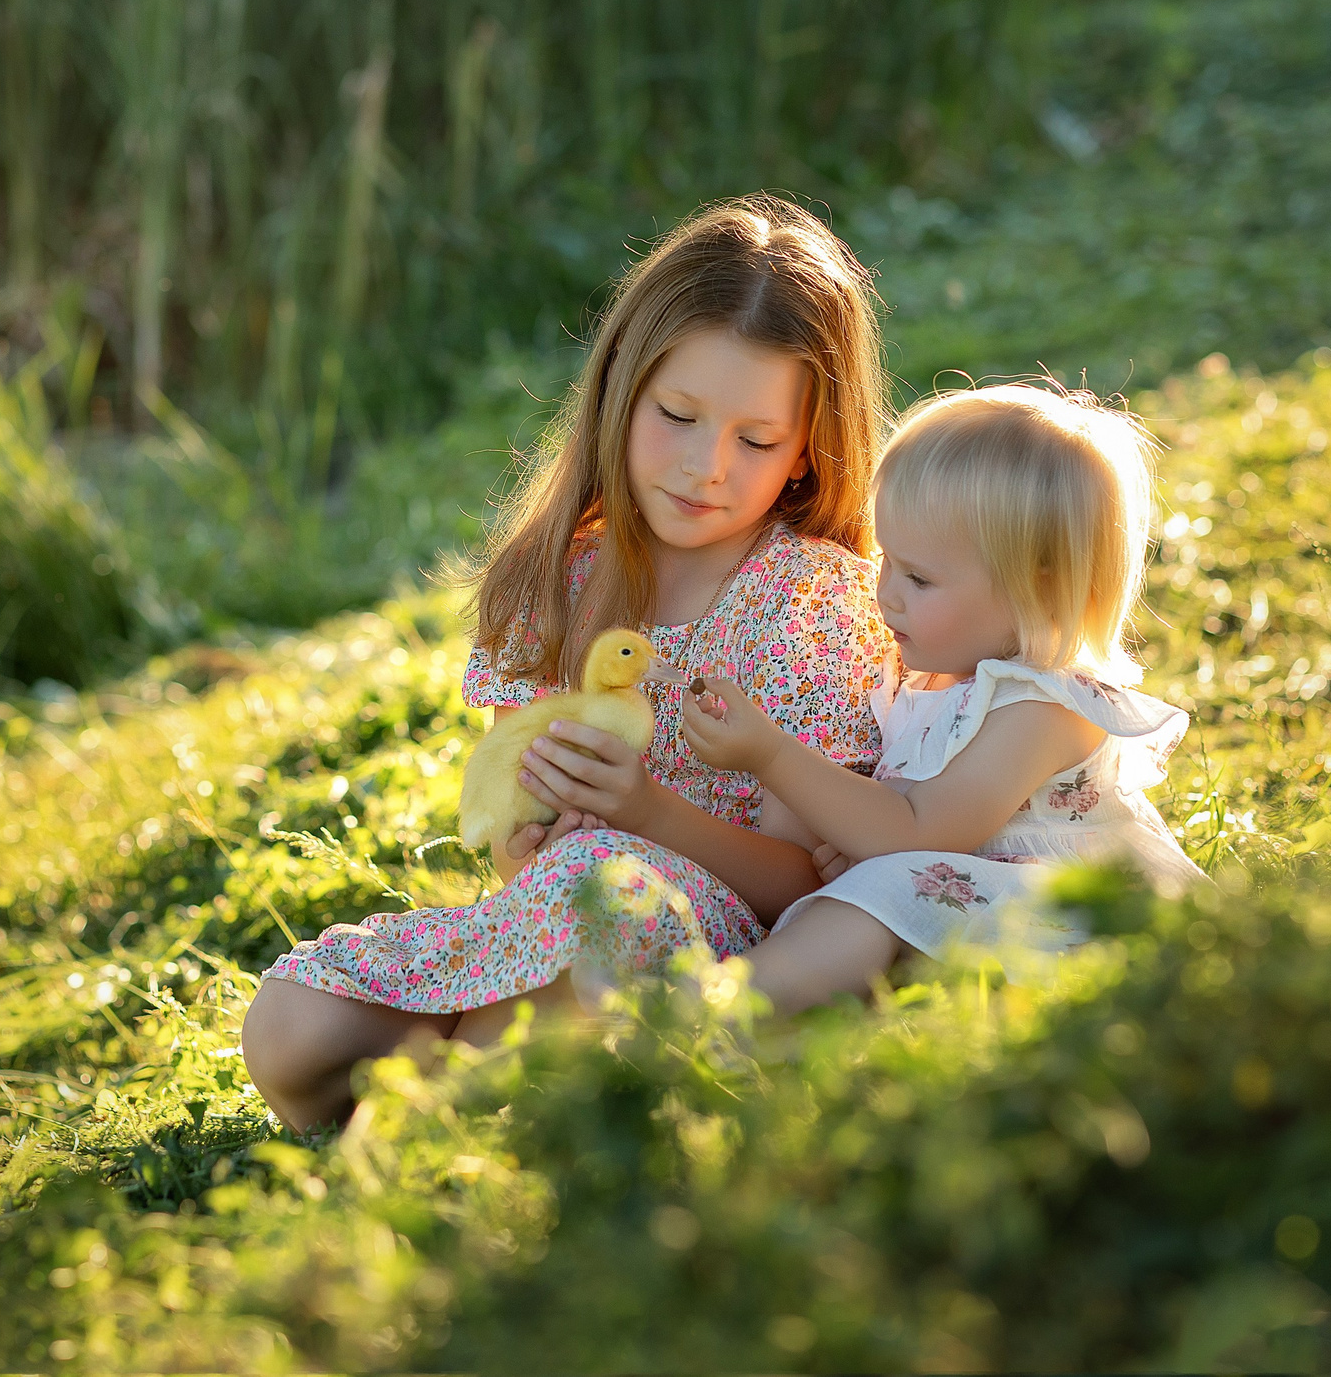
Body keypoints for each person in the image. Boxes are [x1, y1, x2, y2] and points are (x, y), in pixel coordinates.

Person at [240, 195, 892, 1128]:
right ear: (622, 390)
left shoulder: (810, 604)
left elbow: (801, 886)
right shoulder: (558, 578)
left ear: (805, 453)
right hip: (542, 926)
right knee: (290, 1026)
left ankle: (456, 1102)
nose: (708, 465)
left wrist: (647, 813)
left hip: (695, 941)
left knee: (606, 923)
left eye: (755, 440)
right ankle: (480, 1075)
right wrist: (529, 837)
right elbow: (516, 845)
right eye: (677, 414)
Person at [679, 383, 1208, 1016]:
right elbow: (906, 822)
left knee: (873, 897)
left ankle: (711, 1013)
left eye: (920, 578)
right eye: (888, 562)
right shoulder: (930, 685)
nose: (887, 595)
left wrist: (771, 756)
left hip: (1069, 922)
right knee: (864, 894)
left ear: (1037, 586)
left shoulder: (1045, 706)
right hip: (967, 918)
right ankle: (735, 1011)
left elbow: (918, 831)